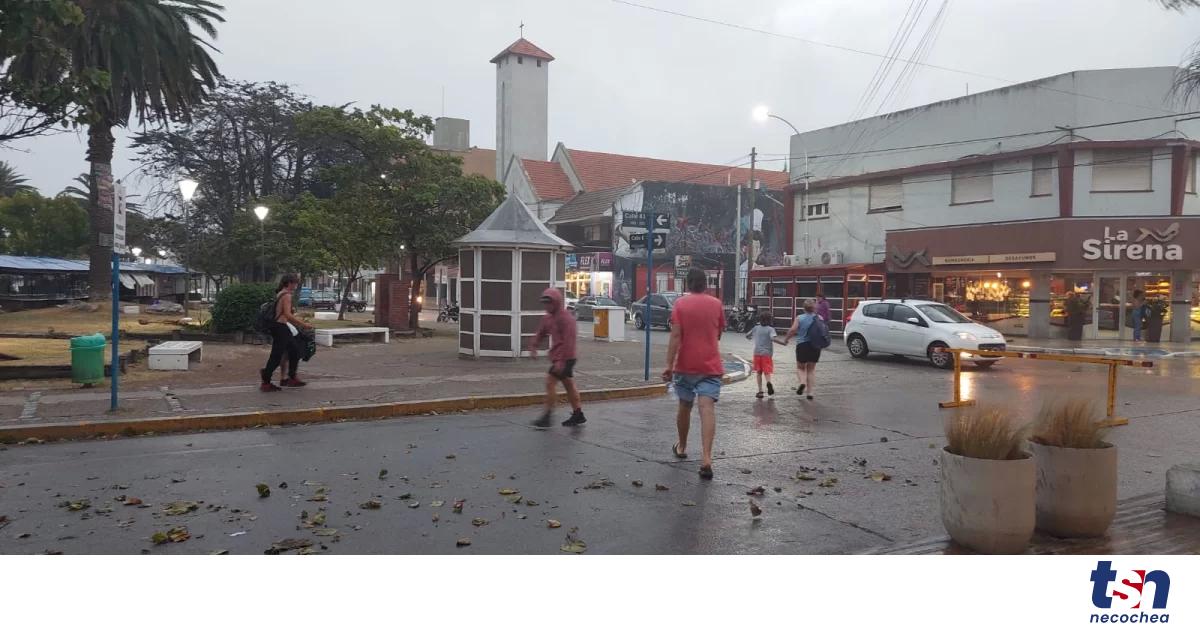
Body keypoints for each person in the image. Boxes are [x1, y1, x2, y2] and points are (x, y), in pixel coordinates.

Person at [663, 268, 725, 480]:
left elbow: (675, 336)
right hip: (710, 366)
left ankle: (682, 446)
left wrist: (668, 365)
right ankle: (706, 458)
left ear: (688, 284)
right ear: (705, 284)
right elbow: (718, 334)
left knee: (685, 406)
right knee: (707, 409)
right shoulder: (716, 304)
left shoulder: (680, 304)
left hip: (686, 366)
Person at [529, 288, 586, 428]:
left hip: (567, 357)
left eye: (549, 303)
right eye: (545, 303)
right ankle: (578, 414)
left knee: (550, 383)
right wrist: (534, 346)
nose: (546, 306)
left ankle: (547, 417)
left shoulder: (566, 319)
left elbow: (569, 342)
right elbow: (541, 332)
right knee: (569, 385)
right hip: (559, 358)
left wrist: (561, 362)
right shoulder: (548, 318)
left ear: (556, 302)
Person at [260, 274, 312, 392]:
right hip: (280, 327)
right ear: (289, 283)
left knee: (294, 351)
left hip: (279, 327)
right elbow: (288, 314)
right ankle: (266, 380)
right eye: (295, 283)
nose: (296, 286)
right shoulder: (287, 295)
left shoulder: (281, 293)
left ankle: (291, 377)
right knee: (277, 355)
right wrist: (304, 324)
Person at [785, 299, 822, 401]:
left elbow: (793, 330)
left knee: (800, 367)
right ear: (814, 308)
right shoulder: (819, 318)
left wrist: (786, 339)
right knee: (811, 369)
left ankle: (802, 383)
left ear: (803, 308)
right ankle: (810, 392)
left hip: (802, 345)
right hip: (815, 346)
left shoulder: (800, 318)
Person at [745, 312, 785, 399]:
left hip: (757, 353)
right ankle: (768, 383)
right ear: (770, 320)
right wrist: (783, 343)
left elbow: (747, 335)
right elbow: (773, 338)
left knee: (759, 373)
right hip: (766, 354)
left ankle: (760, 391)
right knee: (767, 372)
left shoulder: (756, 328)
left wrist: (749, 337)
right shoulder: (770, 329)